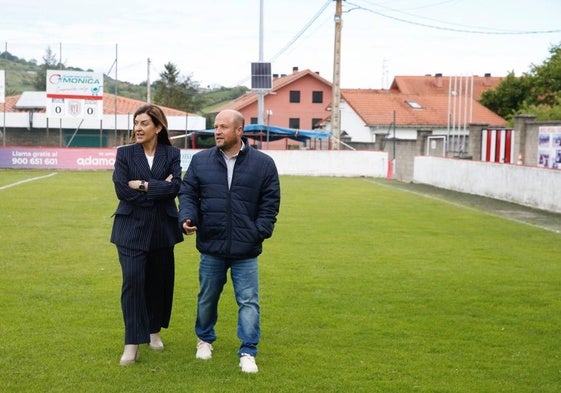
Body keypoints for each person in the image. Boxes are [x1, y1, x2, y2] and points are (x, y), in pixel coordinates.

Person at [178, 109, 280, 373]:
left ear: (239, 131)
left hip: (246, 248)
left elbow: (270, 203)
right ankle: (204, 339)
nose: (218, 132)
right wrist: (187, 216)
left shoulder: (263, 164)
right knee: (207, 297)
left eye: (223, 127)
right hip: (211, 244)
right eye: (215, 127)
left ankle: (248, 351)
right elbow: (187, 192)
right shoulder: (201, 161)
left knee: (248, 301)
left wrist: (259, 231)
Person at [110, 104, 184, 366]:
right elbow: (122, 190)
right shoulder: (125, 154)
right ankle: (132, 344)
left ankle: (154, 332)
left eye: (143, 123)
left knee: (158, 283)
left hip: (163, 230)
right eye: (135, 123)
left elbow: (175, 187)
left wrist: (142, 185)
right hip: (130, 230)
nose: (137, 128)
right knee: (133, 283)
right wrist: (158, 188)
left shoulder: (172, 153)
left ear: (158, 127)